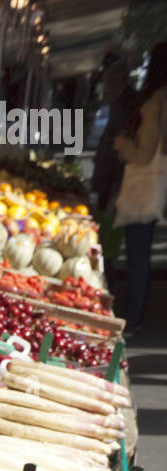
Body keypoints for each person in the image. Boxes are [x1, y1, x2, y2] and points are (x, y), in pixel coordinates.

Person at [113, 41, 167, 336]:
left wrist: (124, 146)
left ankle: (133, 318)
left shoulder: (156, 103)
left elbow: (144, 154)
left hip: (144, 188)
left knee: (138, 255)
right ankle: (136, 314)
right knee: (140, 254)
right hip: (155, 186)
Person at [91, 58, 136, 292]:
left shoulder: (123, 105)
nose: (106, 89)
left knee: (108, 237)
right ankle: (107, 279)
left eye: (109, 84)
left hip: (113, 182)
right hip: (112, 181)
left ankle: (107, 283)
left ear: (119, 82)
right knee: (108, 236)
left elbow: (120, 150)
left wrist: (116, 187)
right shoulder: (123, 103)